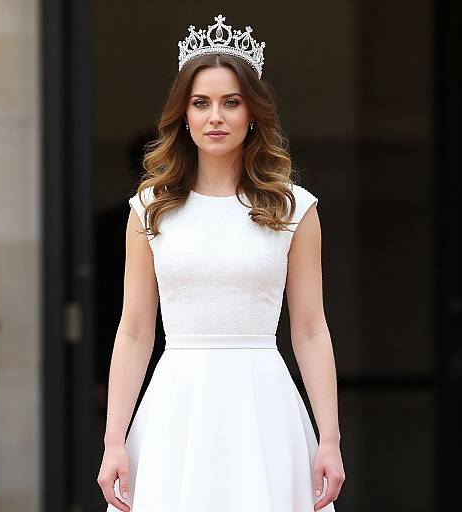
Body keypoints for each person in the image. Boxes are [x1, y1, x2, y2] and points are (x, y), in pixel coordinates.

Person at [97, 14, 345, 512]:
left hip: (264, 409)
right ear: (183, 115)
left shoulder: (294, 209)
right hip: (176, 409)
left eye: (231, 103)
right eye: (201, 103)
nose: (216, 116)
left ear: (252, 113)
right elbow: (134, 331)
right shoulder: (149, 209)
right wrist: (114, 442)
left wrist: (330, 440)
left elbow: (311, 329)